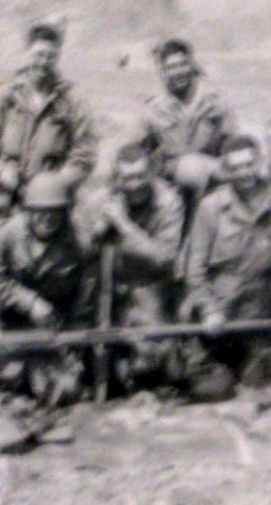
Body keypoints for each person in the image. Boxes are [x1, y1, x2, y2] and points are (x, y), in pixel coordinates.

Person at [179, 135, 271, 386]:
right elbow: (194, 270)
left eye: (249, 165)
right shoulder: (211, 208)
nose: (244, 174)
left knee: (262, 380)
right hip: (222, 314)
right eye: (236, 168)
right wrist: (209, 310)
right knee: (214, 387)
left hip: (262, 314)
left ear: (259, 162)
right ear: (226, 170)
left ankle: (261, 358)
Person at [0, 172, 93, 407]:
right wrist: (30, 302)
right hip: (9, 312)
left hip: (52, 320)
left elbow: (87, 290)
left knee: (65, 389)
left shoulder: (79, 242)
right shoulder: (7, 233)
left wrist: (76, 334)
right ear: (28, 210)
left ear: (65, 211)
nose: (47, 217)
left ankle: (26, 374)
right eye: (40, 210)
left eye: (55, 210)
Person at [0, 23, 97, 220]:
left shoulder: (71, 100)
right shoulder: (5, 95)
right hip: (4, 200)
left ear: (58, 57)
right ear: (26, 53)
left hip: (49, 206)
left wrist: (56, 184)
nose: (43, 62)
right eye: (38, 54)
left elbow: (86, 152)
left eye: (50, 56)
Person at [86, 143, 184, 392]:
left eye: (141, 176)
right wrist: (95, 233)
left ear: (151, 173)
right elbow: (82, 250)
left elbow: (165, 257)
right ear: (118, 179)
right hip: (107, 286)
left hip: (150, 285)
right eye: (128, 178)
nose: (135, 185)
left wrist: (124, 226)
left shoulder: (169, 202)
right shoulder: (102, 201)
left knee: (158, 364)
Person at [139, 38, 237, 187]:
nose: (178, 72)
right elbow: (136, 150)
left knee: (193, 168)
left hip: (213, 181)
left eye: (182, 64)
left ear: (192, 66)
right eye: (171, 67)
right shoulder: (154, 110)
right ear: (163, 72)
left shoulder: (215, 103)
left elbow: (233, 143)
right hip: (171, 184)